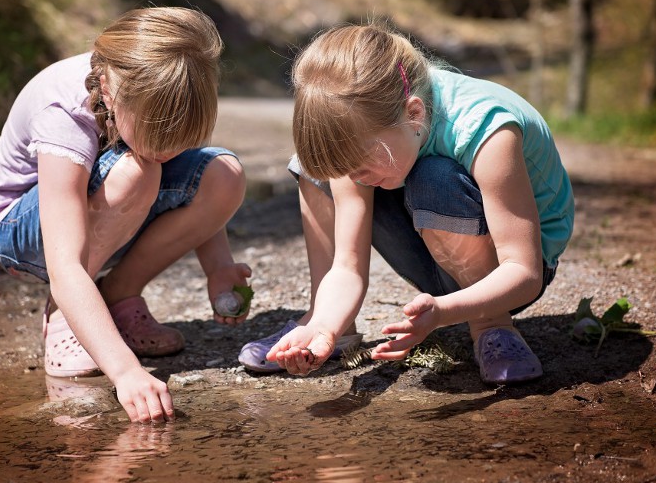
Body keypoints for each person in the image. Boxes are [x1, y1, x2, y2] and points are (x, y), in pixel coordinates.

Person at [238, 23, 573, 383]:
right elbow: (348, 267)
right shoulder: (372, 138)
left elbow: (525, 274)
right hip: (436, 256)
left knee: (434, 178)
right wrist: (324, 326)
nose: (359, 180)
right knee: (314, 166)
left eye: (365, 167)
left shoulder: (485, 128)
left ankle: (491, 324)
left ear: (413, 113)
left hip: (507, 275)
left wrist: (442, 312)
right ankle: (328, 317)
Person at [0, 7, 252, 423]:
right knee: (139, 170)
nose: (170, 152)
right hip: (19, 229)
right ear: (107, 88)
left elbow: (191, 180)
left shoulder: (155, 90)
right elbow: (64, 263)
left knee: (222, 174)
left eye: (181, 142)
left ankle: (118, 294)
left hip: (106, 209)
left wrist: (219, 266)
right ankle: (65, 314)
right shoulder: (64, 113)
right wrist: (125, 371)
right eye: (160, 138)